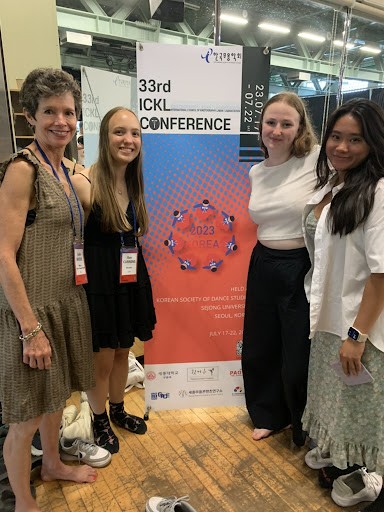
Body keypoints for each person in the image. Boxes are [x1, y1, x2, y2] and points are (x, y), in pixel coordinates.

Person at [0, 68, 97, 512]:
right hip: (33, 310)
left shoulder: (64, 169)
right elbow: (3, 254)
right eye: (50, 112)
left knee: (56, 397)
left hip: (65, 300)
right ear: (30, 117)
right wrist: (29, 328)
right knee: (25, 416)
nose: (62, 120)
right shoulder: (24, 170)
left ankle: (53, 463)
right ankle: (22, 501)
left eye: (69, 112)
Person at [302, 98, 384, 509]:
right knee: (335, 394)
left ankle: (365, 471)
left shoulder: (379, 191)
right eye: (336, 136)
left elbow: (381, 272)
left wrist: (357, 334)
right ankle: (339, 456)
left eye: (356, 139)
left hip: (357, 322)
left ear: (373, 144)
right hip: (329, 315)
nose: (343, 147)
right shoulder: (336, 185)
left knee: (358, 401)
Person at [71, 106, 156, 454]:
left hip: (129, 273)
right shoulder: (85, 181)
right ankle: (99, 418)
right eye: (119, 132)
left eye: (134, 133)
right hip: (101, 279)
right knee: (102, 358)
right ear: (104, 137)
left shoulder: (132, 180)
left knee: (124, 350)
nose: (128, 140)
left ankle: (119, 410)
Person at [241, 92, 319, 446]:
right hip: (262, 262)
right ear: (261, 127)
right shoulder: (257, 171)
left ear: (300, 128)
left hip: (300, 265)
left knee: (297, 352)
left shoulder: (317, 162)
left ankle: (301, 423)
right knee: (260, 344)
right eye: (271, 122)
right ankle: (268, 414)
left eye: (286, 124)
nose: (277, 130)